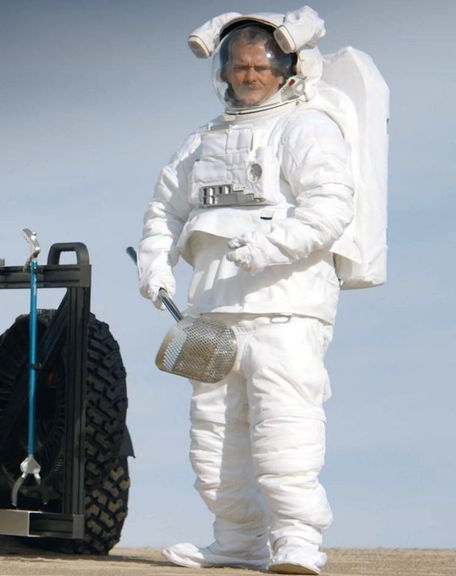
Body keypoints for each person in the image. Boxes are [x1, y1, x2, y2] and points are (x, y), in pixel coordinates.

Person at [136, 7, 356, 575]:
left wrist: (270, 247)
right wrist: (156, 264)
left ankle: (297, 543)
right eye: (239, 67)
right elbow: (165, 209)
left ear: (287, 68)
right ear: (224, 71)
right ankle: (236, 540)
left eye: (261, 66)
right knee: (214, 438)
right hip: (211, 312)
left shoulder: (307, 127)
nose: (249, 76)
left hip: (285, 308)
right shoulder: (201, 142)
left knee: (285, 428)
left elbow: (329, 207)